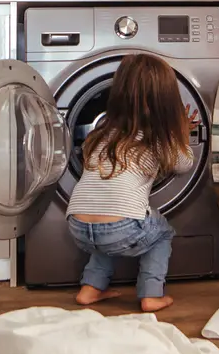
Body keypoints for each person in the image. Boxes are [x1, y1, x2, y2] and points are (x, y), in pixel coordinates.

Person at [66, 53, 199, 313]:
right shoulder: (159, 138)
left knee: (106, 224)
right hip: (121, 228)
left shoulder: (101, 133)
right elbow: (184, 164)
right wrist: (180, 133)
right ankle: (151, 295)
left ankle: (90, 289)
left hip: (77, 225)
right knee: (162, 233)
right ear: (167, 102)